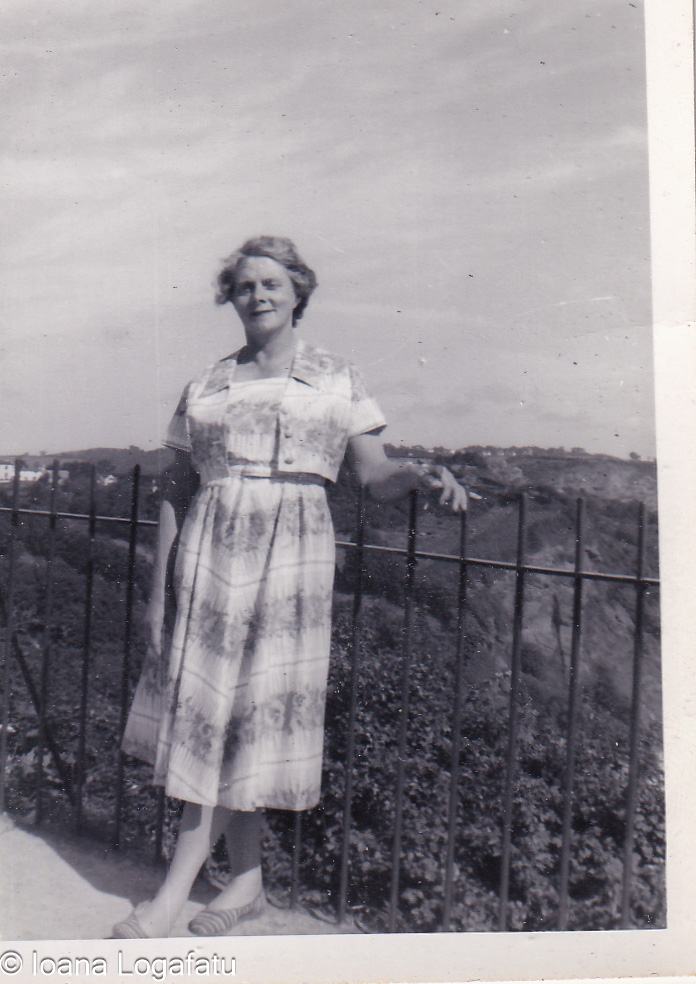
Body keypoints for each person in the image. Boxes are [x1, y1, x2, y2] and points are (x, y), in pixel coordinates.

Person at [112, 236, 467, 939]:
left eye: (273, 283)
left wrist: (421, 474)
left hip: (292, 562)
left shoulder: (339, 378)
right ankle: (243, 884)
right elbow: (175, 492)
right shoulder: (206, 385)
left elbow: (372, 473)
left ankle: (172, 896)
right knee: (213, 716)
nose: (259, 295)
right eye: (245, 285)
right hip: (211, 555)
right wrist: (158, 595)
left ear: (299, 290)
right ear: (230, 297)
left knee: (249, 712)